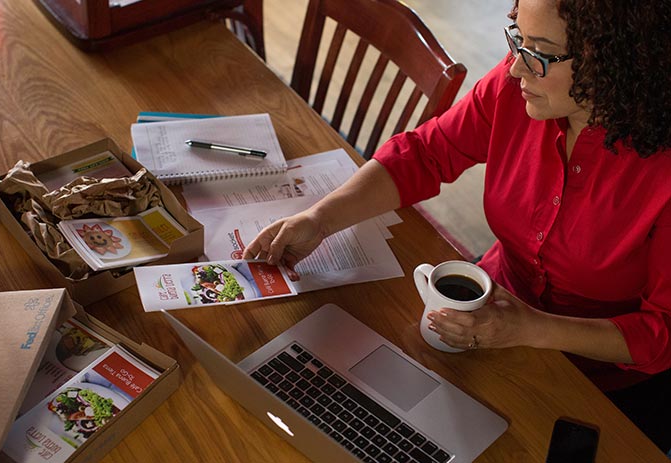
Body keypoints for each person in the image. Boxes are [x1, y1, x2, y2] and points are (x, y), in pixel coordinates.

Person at [244, 0, 671, 454]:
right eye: (516, 38)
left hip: (606, 385)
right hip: (486, 318)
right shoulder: (518, 88)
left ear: (617, 62)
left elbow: (662, 331)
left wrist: (529, 328)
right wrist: (320, 218)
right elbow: (428, 153)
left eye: (540, 53)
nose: (514, 70)